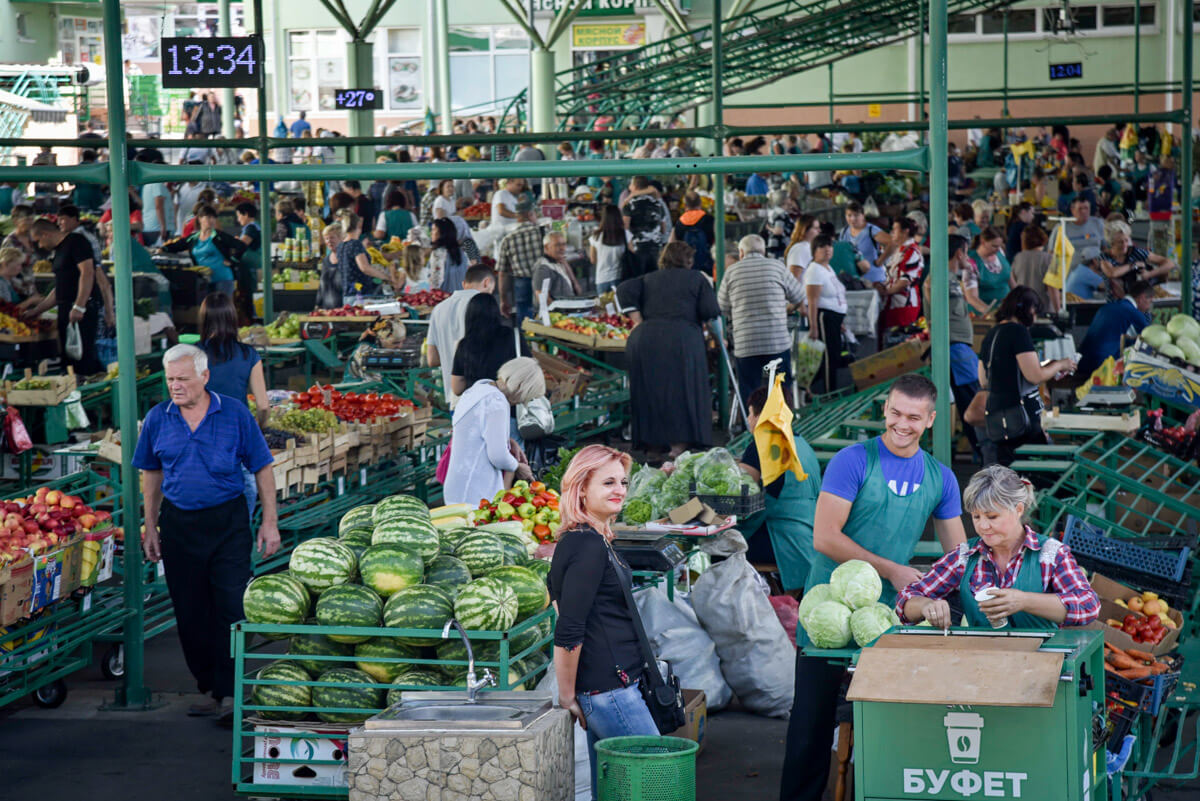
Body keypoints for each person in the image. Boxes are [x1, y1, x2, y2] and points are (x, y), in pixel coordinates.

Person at [781, 374, 967, 801]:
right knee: (811, 726)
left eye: (914, 418)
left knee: (882, 728)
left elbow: (958, 558)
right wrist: (893, 571)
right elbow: (824, 537)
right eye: (896, 413)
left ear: (932, 420)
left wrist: (984, 596)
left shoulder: (941, 478)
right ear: (885, 409)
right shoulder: (854, 460)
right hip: (831, 606)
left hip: (888, 620)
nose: (902, 424)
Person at [134, 345, 279, 726]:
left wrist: (269, 521)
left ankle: (232, 693)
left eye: (182, 379)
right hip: (180, 525)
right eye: (170, 380)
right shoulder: (157, 419)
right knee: (191, 610)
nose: (175, 387)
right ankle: (210, 689)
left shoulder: (233, 413)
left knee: (231, 606)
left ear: (204, 376)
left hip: (228, 522)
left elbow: (262, 467)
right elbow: (151, 474)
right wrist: (150, 525)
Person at [549, 445, 658, 800]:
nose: (620, 490)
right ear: (581, 488)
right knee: (656, 784)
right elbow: (568, 629)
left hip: (613, 687)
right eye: (608, 482)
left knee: (612, 792)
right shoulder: (587, 545)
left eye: (623, 482)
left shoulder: (591, 539)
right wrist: (567, 697)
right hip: (610, 692)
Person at [898, 465, 1100, 629]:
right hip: (984, 663)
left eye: (992, 517)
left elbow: (1088, 605)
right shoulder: (965, 556)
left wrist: (1024, 601)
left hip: (1044, 660)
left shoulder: (1050, 554)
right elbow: (906, 600)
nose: (983, 526)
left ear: (1018, 509)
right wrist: (926, 606)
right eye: (976, 517)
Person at [617, 241, 720, 456]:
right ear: (688, 260)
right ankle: (678, 446)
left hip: (646, 338)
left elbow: (624, 289)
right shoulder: (696, 278)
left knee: (651, 391)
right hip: (681, 340)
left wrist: (637, 318)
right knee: (682, 392)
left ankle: (653, 443)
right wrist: (719, 336)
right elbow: (710, 311)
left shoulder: (649, 278)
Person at [977, 287, 1077, 466]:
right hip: (1023, 418)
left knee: (1009, 474)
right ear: (1027, 310)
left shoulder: (990, 335)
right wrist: (1060, 364)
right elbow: (1034, 376)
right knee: (1041, 471)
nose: (1035, 317)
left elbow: (984, 380)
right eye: (1035, 312)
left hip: (998, 418)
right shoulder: (1018, 332)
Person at [737, 386, 823, 593]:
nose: (749, 421)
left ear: (761, 415)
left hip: (786, 544)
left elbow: (747, 497)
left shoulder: (764, 444)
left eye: (750, 414)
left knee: (720, 548)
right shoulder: (801, 442)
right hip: (812, 539)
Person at [200, 292, 270, 514]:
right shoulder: (249, 355)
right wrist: (257, 429)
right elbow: (263, 406)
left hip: (200, 440)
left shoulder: (192, 354)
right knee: (242, 508)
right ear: (233, 318)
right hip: (237, 438)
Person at [718, 234, 806, 405]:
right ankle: (780, 425)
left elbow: (722, 307)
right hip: (776, 342)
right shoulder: (777, 266)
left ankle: (751, 427)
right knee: (779, 388)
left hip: (746, 344)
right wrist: (788, 308)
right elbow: (799, 295)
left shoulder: (731, 272)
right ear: (764, 251)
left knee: (749, 389)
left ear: (741, 252)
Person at [443, 357, 542, 505]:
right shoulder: (496, 401)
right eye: (525, 397)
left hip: (457, 487)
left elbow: (475, 435)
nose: (523, 403)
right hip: (473, 495)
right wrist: (518, 468)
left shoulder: (479, 389)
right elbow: (498, 456)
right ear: (520, 385)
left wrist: (508, 441)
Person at [25, 218, 105, 375]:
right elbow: (60, 288)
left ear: (46, 234)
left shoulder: (76, 242)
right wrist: (36, 311)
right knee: (70, 360)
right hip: (66, 310)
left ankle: (88, 392)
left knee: (83, 359)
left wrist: (79, 306)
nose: (40, 246)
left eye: (38, 241)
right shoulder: (59, 251)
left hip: (81, 310)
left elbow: (87, 272)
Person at [934, 236, 985, 459]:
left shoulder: (953, 280)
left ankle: (981, 451)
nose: (969, 257)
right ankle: (984, 451)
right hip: (956, 350)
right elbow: (929, 289)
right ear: (958, 254)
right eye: (966, 252)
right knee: (973, 402)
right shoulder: (942, 279)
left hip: (960, 349)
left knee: (969, 400)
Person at [426, 265, 496, 409]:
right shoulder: (485, 307)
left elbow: (432, 359)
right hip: (483, 394)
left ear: (464, 284)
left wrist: (450, 355)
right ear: (487, 282)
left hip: (454, 397)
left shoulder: (438, 309)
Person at [450, 293, 530, 398]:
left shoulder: (465, 345)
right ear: (496, 312)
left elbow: (457, 388)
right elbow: (529, 367)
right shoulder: (512, 336)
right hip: (508, 406)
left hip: (476, 406)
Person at [1074, 280, 1153, 382]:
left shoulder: (1107, 307)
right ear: (1142, 298)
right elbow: (1150, 339)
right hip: (1101, 367)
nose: (1149, 307)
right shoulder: (1133, 312)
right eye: (1150, 301)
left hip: (1082, 363)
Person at [162, 205, 247, 297]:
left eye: (213, 217)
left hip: (222, 278)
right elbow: (178, 245)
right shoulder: (193, 238)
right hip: (203, 280)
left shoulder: (219, 236)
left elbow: (241, 246)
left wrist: (232, 260)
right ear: (200, 219)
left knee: (222, 309)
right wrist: (163, 249)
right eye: (208, 217)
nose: (211, 220)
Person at [803, 235, 847, 394]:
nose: (827, 250)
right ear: (815, 251)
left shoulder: (828, 268)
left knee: (834, 355)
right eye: (822, 247)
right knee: (829, 357)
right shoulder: (814, 270)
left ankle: (813, 389)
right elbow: (812, 300)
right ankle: (830, 392)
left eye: (829, 246)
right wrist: (813, 326)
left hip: (835, 317)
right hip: (824, 317)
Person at [496, 198, 542, 325]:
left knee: (525, 321)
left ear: (518, 217)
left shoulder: (507, 239)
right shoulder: (542, 233)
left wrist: (503, 299)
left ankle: (526, 343)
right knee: (547, 318)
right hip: (543, 280)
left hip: (521, 282)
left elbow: (502, 273)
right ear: (530, 214)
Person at [1101, 219, 1175, 299]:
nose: (1124, 244)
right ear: (1112, 243)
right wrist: (1133, 265)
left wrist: (1149, 274)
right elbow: (1112, 273)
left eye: (1126, 240)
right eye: (1120, 242)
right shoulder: (1105, 257)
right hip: (1116, 304)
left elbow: (1169, 263)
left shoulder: (1135, 252)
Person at [879, 217, 925, 332]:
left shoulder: (912, 252)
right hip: (891, 305)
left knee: (899, 343)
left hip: (904, 306)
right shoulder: (899, 250)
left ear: (906, 231)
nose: (892, 232)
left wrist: (886, 291)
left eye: (895, 229)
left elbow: (905, 281)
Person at [622, 177, 669, 279]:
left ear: (635, 186)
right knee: (654, 280)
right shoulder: (658, 203)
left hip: (638, 247)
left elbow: (625, 226)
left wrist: (629, 244)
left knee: (639, 279)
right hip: (655, 248)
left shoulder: (629, 204)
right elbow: (663, 229)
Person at [963, 226, 1012, 311]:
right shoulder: (971, 263)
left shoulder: (1000, 252)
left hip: (1004, 308)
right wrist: (989, 312)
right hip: (982, 312)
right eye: (994, 246)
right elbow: (971, 297)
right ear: (983, 242)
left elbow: (1010, 278)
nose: (997, 249)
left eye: (999, 246)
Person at [589, 204, 632, 294]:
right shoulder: (625, 234)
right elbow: (632, 254)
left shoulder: (596, 236)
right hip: (621, 278)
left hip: (602, 279)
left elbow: (593, 260)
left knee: (604, 307)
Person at [669, 192, 715, 277]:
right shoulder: (709, 220)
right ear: (700, 203)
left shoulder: (679, 223)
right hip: (707, 266)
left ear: (685, 205)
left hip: (686, 266)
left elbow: (671, 244)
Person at [1010, 224, 1053, 314]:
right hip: (1043, 306)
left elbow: (1012, 281)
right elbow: (1052, 287)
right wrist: (1058, 311)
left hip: (1022, 306)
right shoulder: (1048, 258)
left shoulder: (1018, 257)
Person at [533, 232, 582, 309]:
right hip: (559, 315)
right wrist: (559, 314)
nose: (562, 248)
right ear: (546, 247)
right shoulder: (543, 268)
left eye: (564, 244)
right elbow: (543, 298)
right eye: (558, 245)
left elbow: (577, 288)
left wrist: (566, 265)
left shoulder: (558, 261)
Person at [838, 201, 886, 267]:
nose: (852, 219)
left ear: (863, 216)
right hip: (852, 275)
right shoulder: (844, 232)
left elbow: (892, 243)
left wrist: (880, 261)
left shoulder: (871, 230)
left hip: (872, 275)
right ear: (845, 216)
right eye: (849, 215)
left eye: (856, 215)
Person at [784, 215, 819, 282]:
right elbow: (794, 279)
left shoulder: (807, 247)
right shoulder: (800, 249)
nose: (819, 231)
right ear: (805, 230)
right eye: (815, 228)